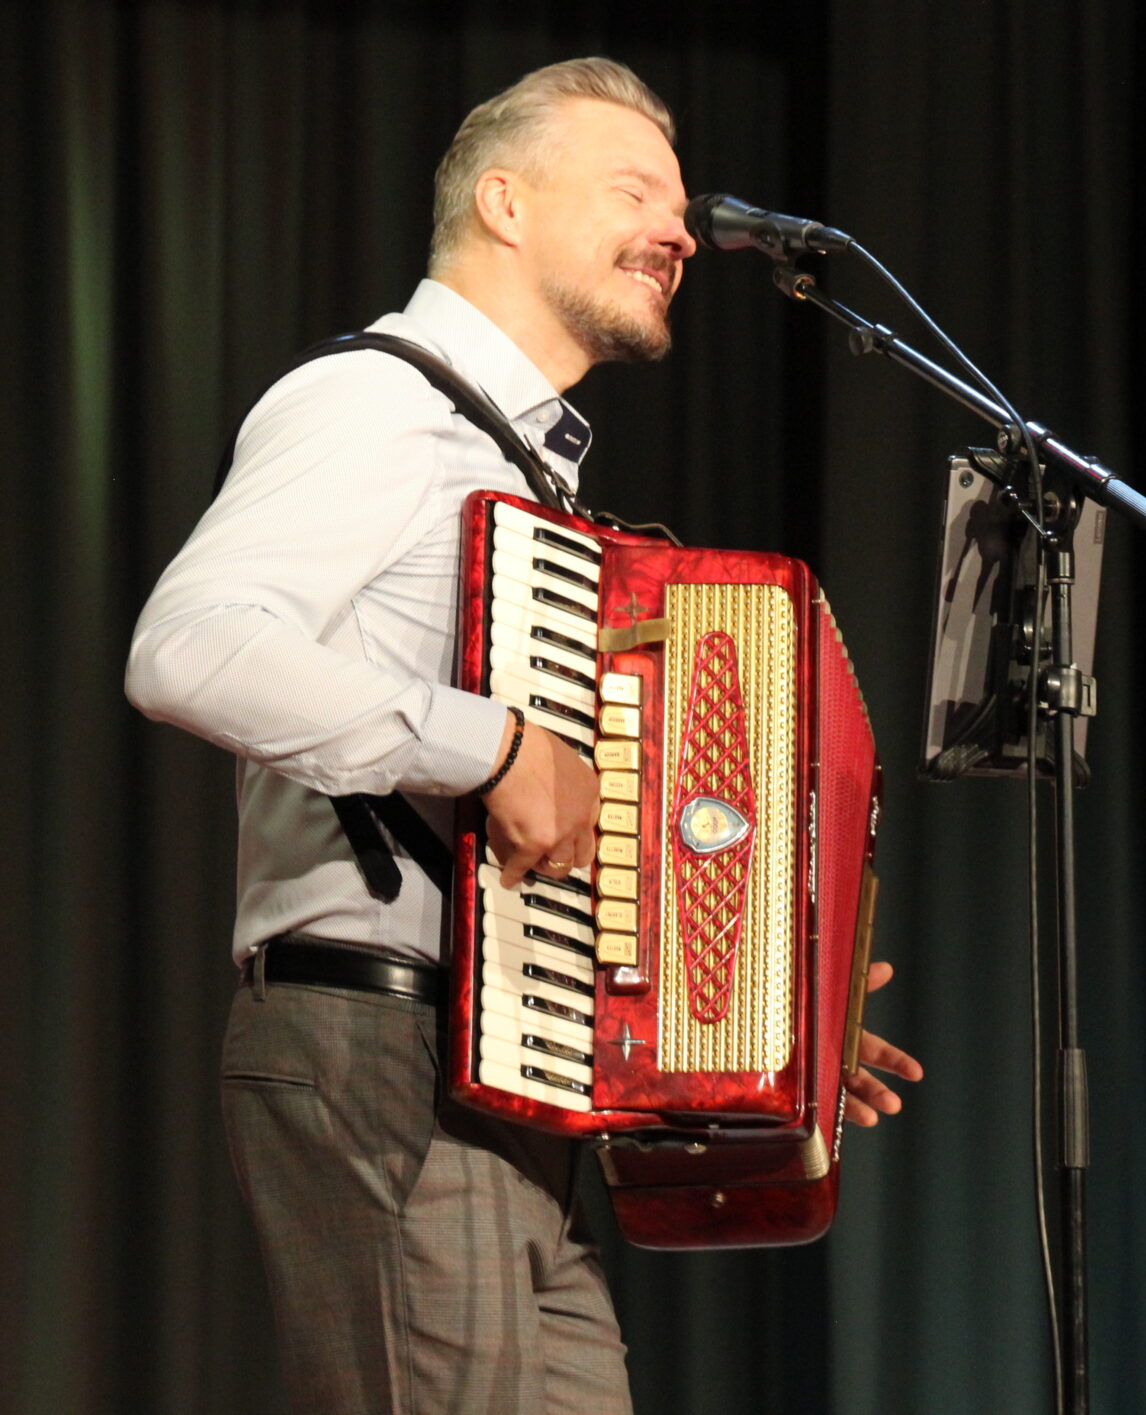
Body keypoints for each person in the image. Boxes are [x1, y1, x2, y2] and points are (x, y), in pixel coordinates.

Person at [125, 57, 922, 1415]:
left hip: (506, 1082)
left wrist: (762, 1022)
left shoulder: (519, 470)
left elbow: (569, 838)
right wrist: (489, 746)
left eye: (676, 203)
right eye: (635, 192)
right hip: (382, 1050)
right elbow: (189, 649)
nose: (680, 232)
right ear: (504, 202)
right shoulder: (374, 401)